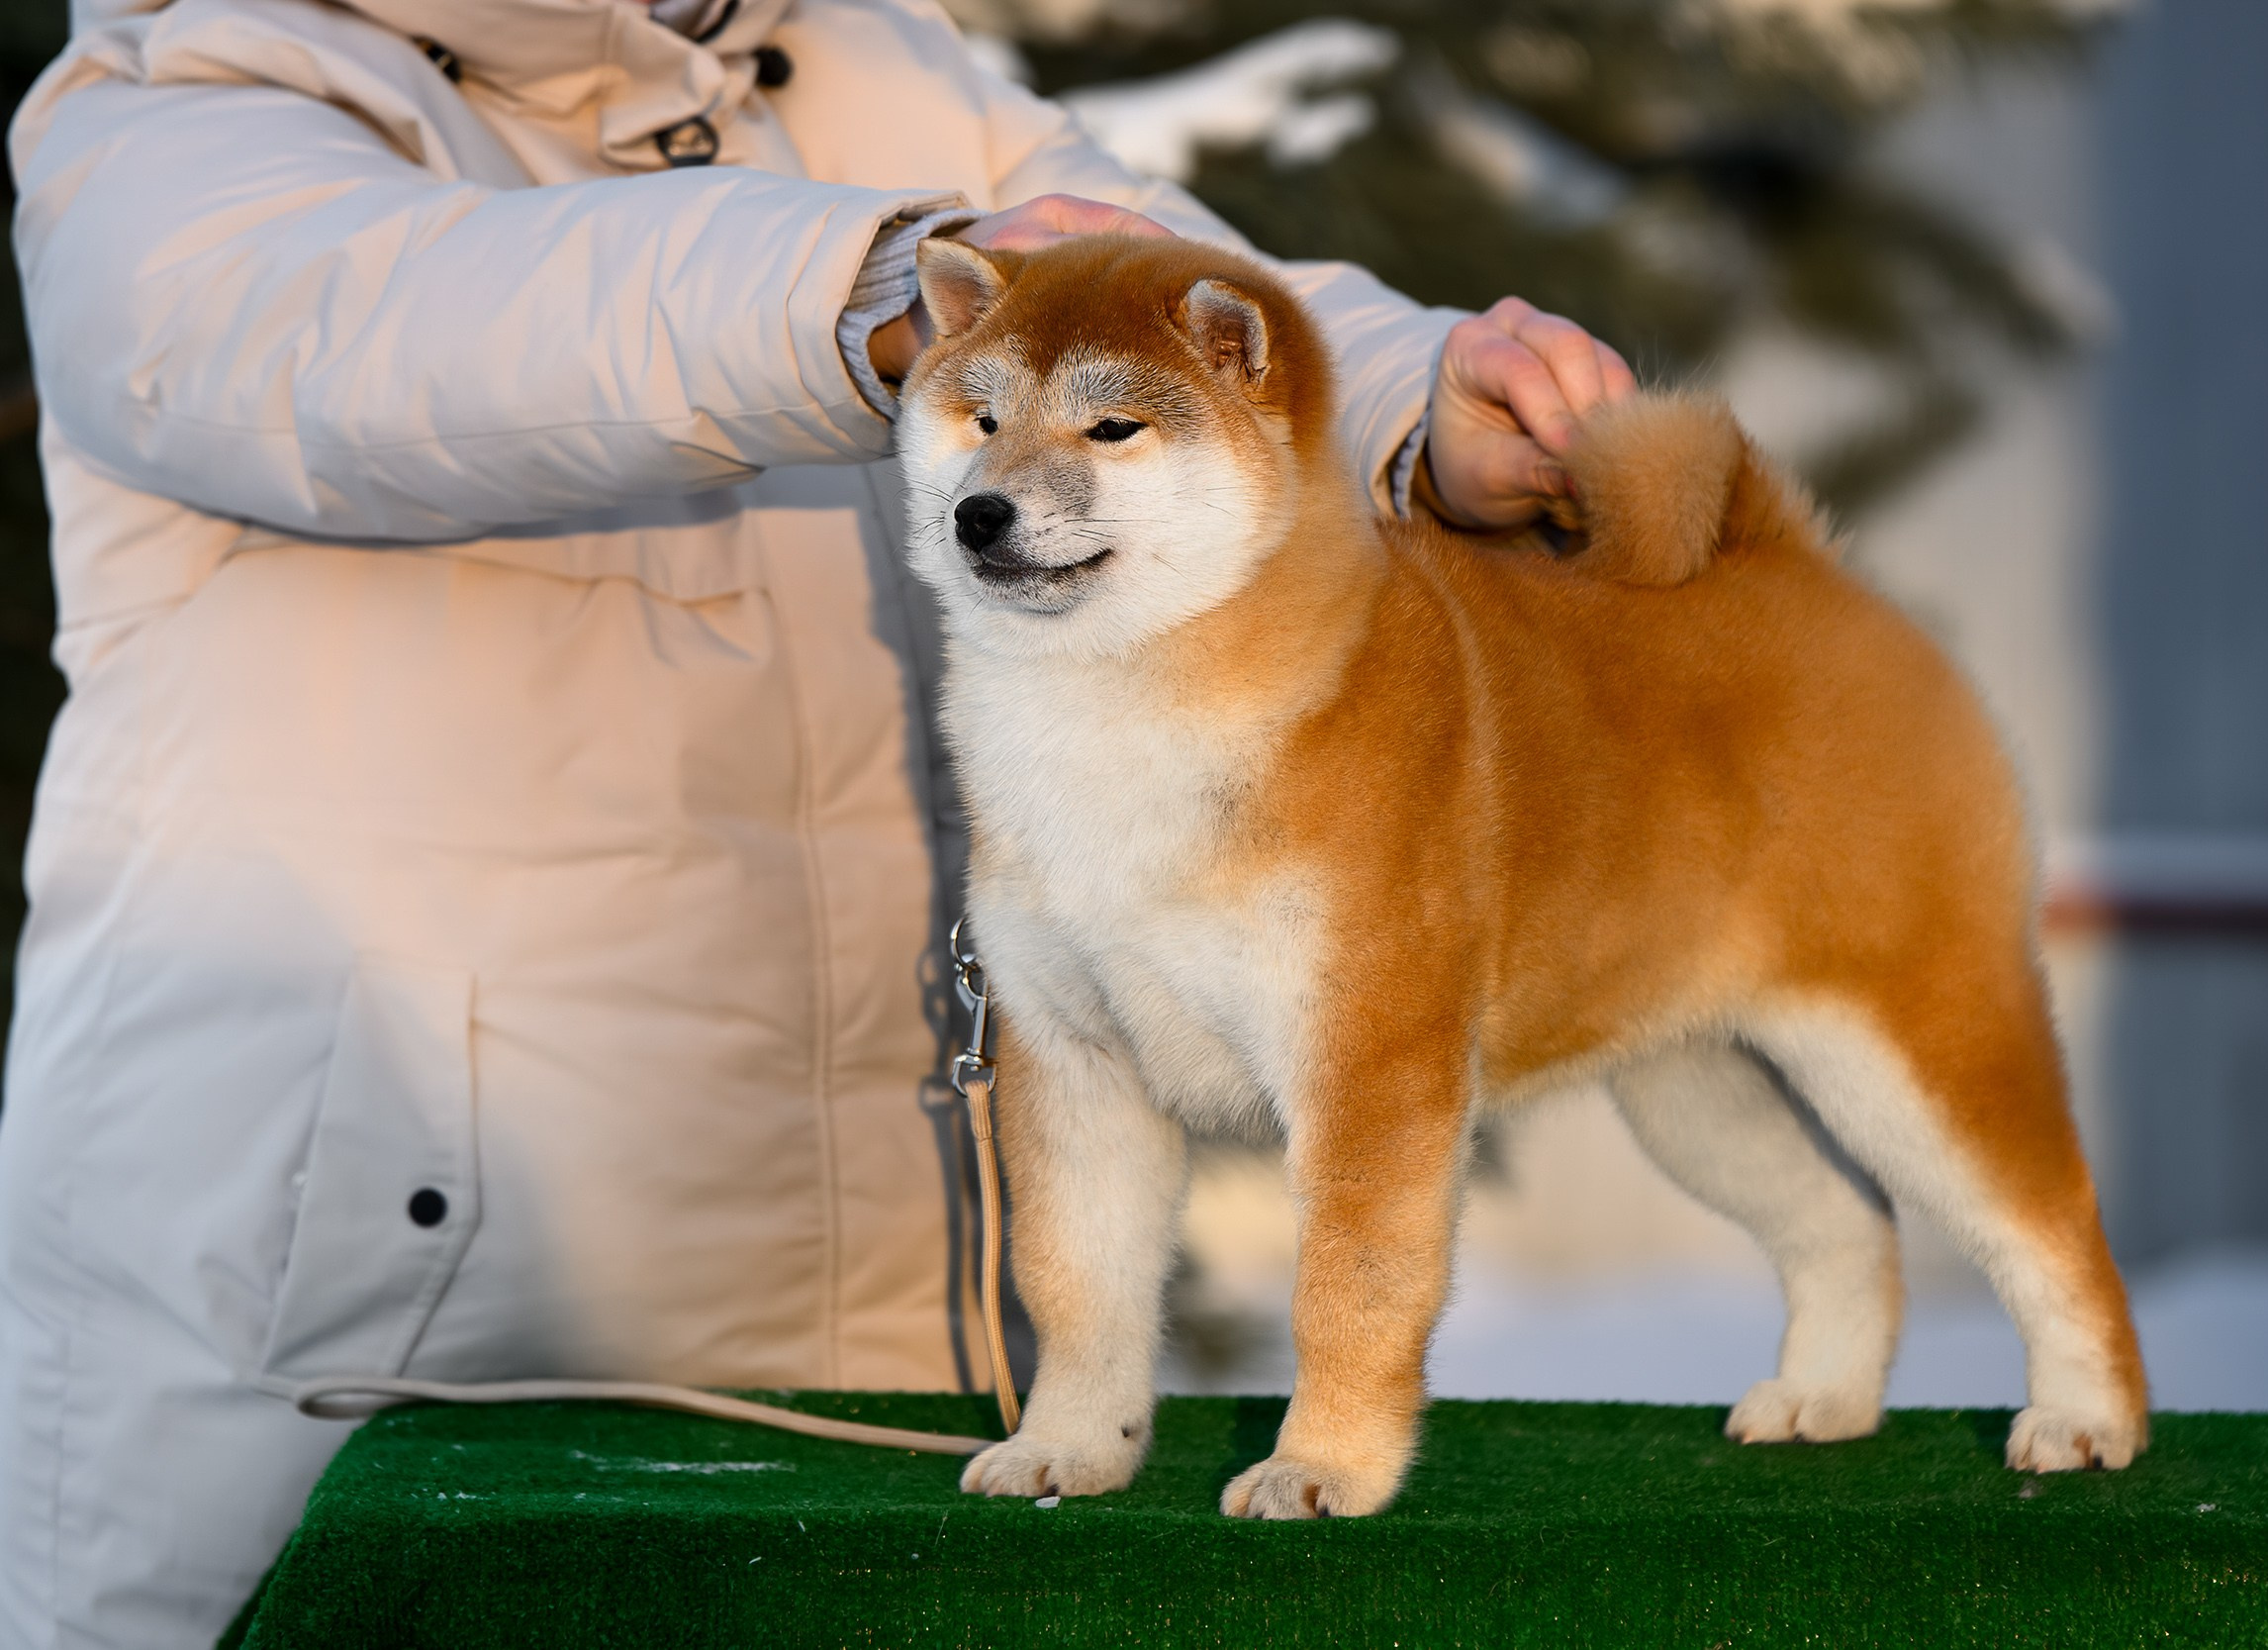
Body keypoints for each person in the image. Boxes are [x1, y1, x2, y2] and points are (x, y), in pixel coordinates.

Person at [0, 0, 1633, 1639]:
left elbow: (1183, 331)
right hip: (377, 1322)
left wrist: (1426, 417)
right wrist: (858, 292)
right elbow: (362, 337)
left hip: (877, 1309)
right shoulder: (178, 95)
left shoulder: (868, 66)